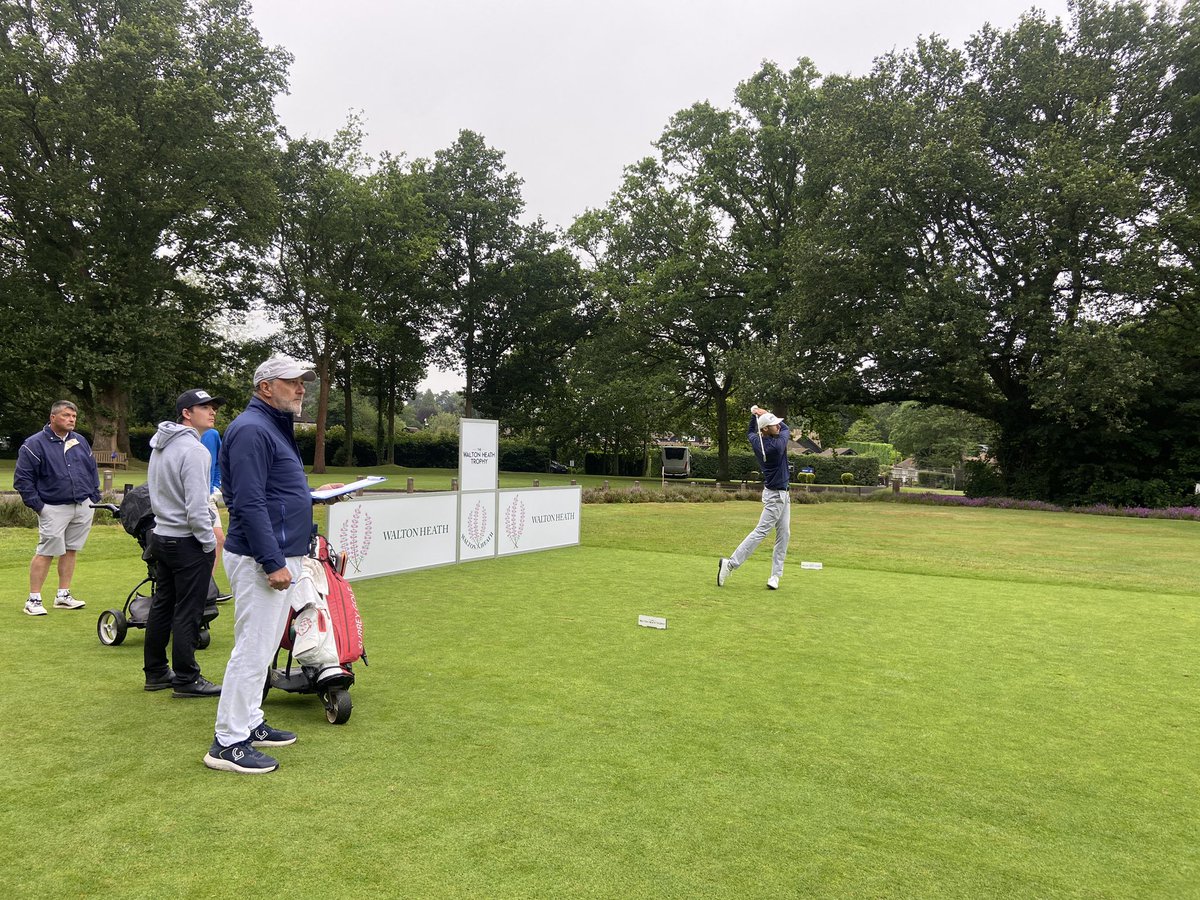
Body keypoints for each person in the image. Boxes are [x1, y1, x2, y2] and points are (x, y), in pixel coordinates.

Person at [203, 355, 343, 775]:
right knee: (252, 650)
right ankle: (228, 741)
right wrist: (271, 561)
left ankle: (250, 723)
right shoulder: (250, 429)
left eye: (303, 382)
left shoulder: (271, 426)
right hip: (264, 557)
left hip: (281, 552)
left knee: (261, 647)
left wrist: (315, 495)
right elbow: (247, 502)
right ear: (266, 387)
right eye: (293, 382)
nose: (301, 388)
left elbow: (275, 492)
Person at [143, 389, 225, 698]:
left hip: (161, 535)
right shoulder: (195, 450)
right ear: (187, 413)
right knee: (188, 610)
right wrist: (207, 542)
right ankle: (187, 678)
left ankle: (155, 672)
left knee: (163, 605)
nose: (212, 411)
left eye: (212, 406)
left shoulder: (161, 445)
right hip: (186, 540)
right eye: (204, 406)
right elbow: (196, 506)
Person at [15, 400, 100, 616]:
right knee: (46, 551)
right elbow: (23, 480)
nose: (71, 419)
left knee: (71, 549)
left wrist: (94, 496)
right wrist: (39, 506)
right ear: (53, 417)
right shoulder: (34, 444)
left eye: (74, 416)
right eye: (66, 415)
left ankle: (63, 595)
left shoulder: (80, 440)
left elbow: (91, 469)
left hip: (83, 504)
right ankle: (33, 599)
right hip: (52, 506)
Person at [717, 405, 791, 590]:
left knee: (784, 534)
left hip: (781, 494)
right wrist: (763, 413)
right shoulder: (776, 446)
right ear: (766, 429)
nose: (779, 426)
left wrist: (754, 414)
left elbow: (751, 431)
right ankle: (731, 563)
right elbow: (787, 429)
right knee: (761, 532)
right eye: (774, 425)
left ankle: (775, 576)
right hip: (776, 496)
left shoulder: (757, 440)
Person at [199, 423, 229, 599]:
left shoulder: (211, 434)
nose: (212, 413)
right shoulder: (188, 435)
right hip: (195, 495)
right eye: (206, 408)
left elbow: (218, 462)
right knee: (210, 539)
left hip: (207, 495)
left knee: (218, 539)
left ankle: (207, 586)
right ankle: (203, 587)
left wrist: (215, 485)